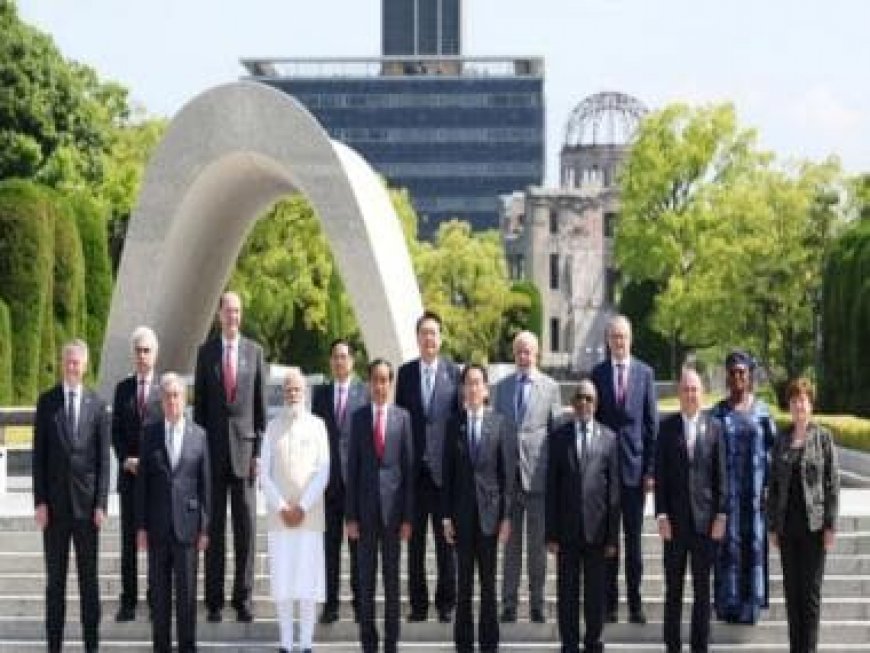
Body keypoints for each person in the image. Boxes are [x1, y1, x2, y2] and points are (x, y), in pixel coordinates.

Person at [33, 339, 110, 653]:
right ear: (62, 363)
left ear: (85, 366)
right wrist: (39, 502)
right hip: (55, 510)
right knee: (56, 585)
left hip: (87, 510)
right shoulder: (47, 402)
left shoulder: (97, 405)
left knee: (88, 584)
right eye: (68, 361)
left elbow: (104, 461)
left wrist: (102, 503)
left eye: (77, 362)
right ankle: (55, 646)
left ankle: (91, 646)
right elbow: (39, 457)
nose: (72, 367)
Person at [194, 290, 267, 623]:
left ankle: (243, 598)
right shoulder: (205, 353)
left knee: (245, 530)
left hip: (244, 454)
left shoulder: (255, 353)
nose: (233, 317)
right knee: (214, 530)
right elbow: (200, 414)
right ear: (218, 314)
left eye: (238, 311)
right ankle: (213, 601)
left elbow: (261, 411)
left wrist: (258, 453)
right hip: (212, 455)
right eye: (228, 311)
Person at [136, 373, 210, 653]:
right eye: (167, 396)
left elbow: (205, 485)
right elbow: (142, 484)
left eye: (176, 395)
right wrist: (141, 527)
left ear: (185, 399)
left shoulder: (199, 435)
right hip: (157, 528)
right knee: (160, 597)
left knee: (187, 595)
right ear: (161, 401)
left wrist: (205, 527)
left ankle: (187, 648)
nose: (172, 401)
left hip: (188, 529)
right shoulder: (150, 434)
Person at [442, 364, 513, 653]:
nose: (472, 389)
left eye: (477, 384)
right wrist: (446, 517)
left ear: (486, 390)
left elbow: (508, 476)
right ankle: (463, 645)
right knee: (464, 588)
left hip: (489, 518)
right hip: (461, 518)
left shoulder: (500, 424)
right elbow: (447, 475)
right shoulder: (453, 424)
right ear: (462, 390)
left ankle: (489, 644)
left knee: (487, 585)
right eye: (467, 384)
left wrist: (506, 517)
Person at [655, 368, 728, 653]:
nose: (690, 395)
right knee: (673, 591)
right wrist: (660, 515)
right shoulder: (667, 428)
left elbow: (721, 475)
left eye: (694, 389)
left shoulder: (714, 428)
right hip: (673, 524)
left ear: (702, 393)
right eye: (685, 389)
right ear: (679, 394)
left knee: (702, 592)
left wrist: (721, 514)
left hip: (704, 525)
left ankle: (700, 647)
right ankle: (672, 646)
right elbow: (659, 475)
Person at [591, 314, 658, 624]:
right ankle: (609, 604)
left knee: (633, 542)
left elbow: (651, 427)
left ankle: (635, 603)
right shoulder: (598, 373)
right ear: (608, 340)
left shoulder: (645, 374)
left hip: (634, 472)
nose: (619, 342)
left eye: (624, 337)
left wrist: (650, 472)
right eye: (614, 337)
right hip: (604, 474)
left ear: (631, 340)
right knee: (609, 542)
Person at [545, 380, 620, 653]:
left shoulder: (610, 438)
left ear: (596, 404)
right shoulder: (558, 437)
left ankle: (594, 642)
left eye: (589, 398)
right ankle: (569, 644)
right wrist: (550, 533)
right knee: (567, 593)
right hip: (566, 532)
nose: (584, 403)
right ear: (572, 403)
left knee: (595, 595)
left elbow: (614, 493)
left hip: (598, 532)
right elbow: (551, 488)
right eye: (579, 398)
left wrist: (613, 537)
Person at [493, 330, 562, 623]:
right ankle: (509, 603)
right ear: (514, 354)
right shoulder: (502, 388)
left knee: (537, 548)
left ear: (538, 354)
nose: (523, 356)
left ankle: (537, 603)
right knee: (511, 548)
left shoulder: (550, 387)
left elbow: (556, 433)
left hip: (538, 478)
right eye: (519, 351)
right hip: (509, 480)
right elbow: (495, 432)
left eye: (528, 352)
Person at [346, 359, 415, 653]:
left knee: (391, 583)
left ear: (391, 384)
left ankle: (390, 643)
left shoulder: (403, 418)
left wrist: (408, 518)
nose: (380, 385)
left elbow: (409, 471)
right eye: (375, 380)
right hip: (364, 514)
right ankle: (368, 643)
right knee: (365, 582)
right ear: (369, 383)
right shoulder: (359, 418)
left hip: (393, 515)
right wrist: (350, 516)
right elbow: (352, 469)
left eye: (385, 380)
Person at [395, 310, 460, 623]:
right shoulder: (405, 374)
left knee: (447, 543)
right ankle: (418, 605)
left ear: (441, 337)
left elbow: (458, 423)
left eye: (434, 333)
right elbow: (399, 423)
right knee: (416, 544)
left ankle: (447, 604)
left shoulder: (453, 373)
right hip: (414, 475)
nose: (429, 339)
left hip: (444, 475)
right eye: (424, 333)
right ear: (417, 338)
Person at [260, 368, 330, 653]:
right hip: (281, 519)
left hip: (309, 517)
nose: (292, 393)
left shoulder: (318, 426)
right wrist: (281, 506)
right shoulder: (272, 427)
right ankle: (287, 644)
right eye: (288, 389)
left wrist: (301, 507)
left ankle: (306, 643)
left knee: (307, 584)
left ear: (305, 393)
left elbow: (324, 471)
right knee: (284, 583)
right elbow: (264, 472)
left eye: (297, 389)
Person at [768, 378, 840, 653]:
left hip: (814, 528)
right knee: (792, 596)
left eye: (804, 400)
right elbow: (773, 486)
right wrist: (772, 525)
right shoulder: (781, 439)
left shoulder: (823, 438)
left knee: (810, 598)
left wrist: (831, 525)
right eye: (795, 400)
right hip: (787, 529)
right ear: (789, 405)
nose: (799, 405)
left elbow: (832, 485)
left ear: (811, 405)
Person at [711, 350, 776, 624]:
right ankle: (728, 606)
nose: (738, 377)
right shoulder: (717, 412)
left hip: (754, 498)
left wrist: (770, 489)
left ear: (749, 377)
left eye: (742, 372)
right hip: (727, 498)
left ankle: (751, 605)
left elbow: (774, 453)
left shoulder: (762, 412)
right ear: (727, 376)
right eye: (733, 372)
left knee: (753, 547)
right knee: (727, 551)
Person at [311, 339, 369, 624]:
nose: (339, 361)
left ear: (352, 361)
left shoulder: (364, 393)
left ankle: (360, 603)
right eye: (334, 357)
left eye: (344, 357)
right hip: (328, 484)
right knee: (329, 549)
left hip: (356, 484)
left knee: (358, 548)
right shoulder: (320, 395)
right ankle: (330, 604)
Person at [111, 326, 162, 622]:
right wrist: (125, 458)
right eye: (138, 350)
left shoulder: (164, 389)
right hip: (130, 479)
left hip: (155, 481)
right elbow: (115, 431)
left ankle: (155, 596)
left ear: (155, 354)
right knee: (128, 542)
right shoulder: (122, 390)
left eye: (147, 350)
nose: (142, 356)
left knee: (155, 541)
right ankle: (128, 601)